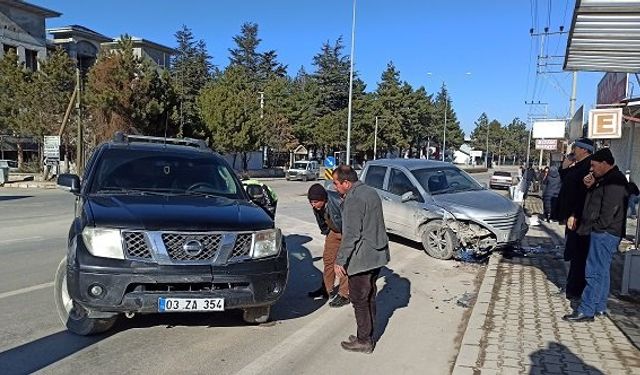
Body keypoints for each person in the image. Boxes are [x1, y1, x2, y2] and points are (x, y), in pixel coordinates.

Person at [563, 148, 630, 322]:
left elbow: (610, 210)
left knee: (593, 271)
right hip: (605, 232)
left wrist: (598, 228)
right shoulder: (605, 179)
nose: (591, 169)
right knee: (602, 271)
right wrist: (590, 185)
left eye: (594, 165)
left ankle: (587, 309)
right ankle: (599, 306)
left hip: (605, 233)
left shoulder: (615, 181)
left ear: (604, 163)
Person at [333, 165, 390, 354]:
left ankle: (364, 341)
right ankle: (366, 335)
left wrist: (340, 260)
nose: (335, 187)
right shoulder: (370, 191)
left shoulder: (354, 199)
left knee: (359, 300)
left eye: (336, 183)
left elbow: (351, 234)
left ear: (346, 183)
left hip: (363, 257)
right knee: (369, 297)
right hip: (377, 254)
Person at [557, 138, 594, 301]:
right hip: (572, 216)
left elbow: (582, 195)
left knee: (578, 254)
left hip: (579, 218)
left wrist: (573, 214)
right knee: (572, 252)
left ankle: (575, 290)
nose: (574, 151)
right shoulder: (577, 166)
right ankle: (572, 286)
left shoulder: (588, 167)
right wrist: (566, 163)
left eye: (576, 148)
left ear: (584, 150)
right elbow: (566, 178)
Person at [306, 183, 350, 308]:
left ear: (323, 199)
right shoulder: (316, 207)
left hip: (346, 233)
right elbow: (322, 223)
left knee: (343, 263)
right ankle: (326, 288)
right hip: (333, 232)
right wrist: (327, 233)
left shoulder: (338, 202)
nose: (312, 204)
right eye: (311, 201)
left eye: (315, 201)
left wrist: (348, 242)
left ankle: (344, 294)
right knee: (328, 260)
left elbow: (350, 222)